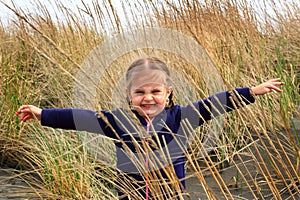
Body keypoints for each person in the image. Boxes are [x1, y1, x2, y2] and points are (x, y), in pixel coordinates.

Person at [16, 57, 284, 199]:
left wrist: (250, 91)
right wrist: (43, 114)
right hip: (129, 194)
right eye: (140, 91)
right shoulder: (116, 121)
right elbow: (80, 118)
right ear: (128, 94)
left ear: (168, 92)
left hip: (170, 193)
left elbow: (213, 104)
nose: (148, 97)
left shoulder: (181, 116)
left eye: (155, 91)